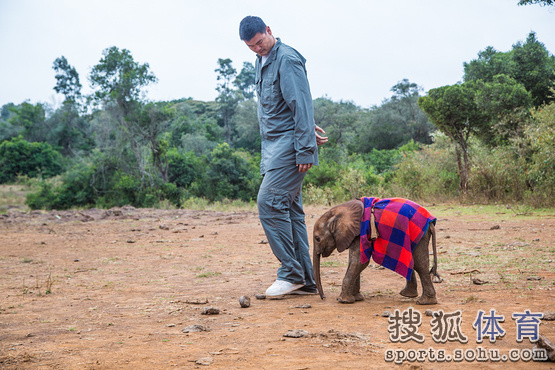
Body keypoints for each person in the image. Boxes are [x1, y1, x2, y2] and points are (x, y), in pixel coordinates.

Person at [239, 16, 328, 297]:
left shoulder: (287, 59)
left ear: (269, 31)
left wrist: (304, 146)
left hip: (290, 148)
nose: (257, 49)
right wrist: (304, 125)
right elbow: (282, 105)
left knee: (268, 202)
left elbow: (301, 102)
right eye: (251, 46)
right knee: (289, 211)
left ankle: (290, 273)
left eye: (260, 42)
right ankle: (305, 280)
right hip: (274, 146)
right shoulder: (261, 61)